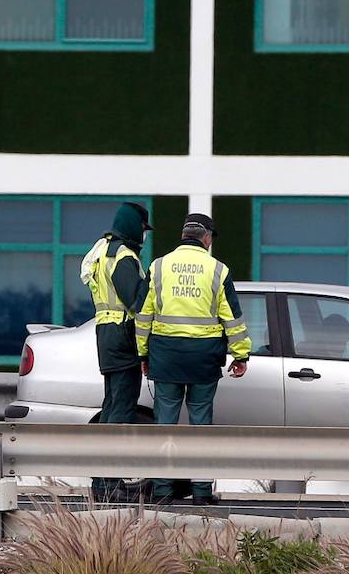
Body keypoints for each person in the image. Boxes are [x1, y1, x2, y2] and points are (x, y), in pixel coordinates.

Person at [135, 213, 251, 506]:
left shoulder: (159, 266)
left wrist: (143, 353)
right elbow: (232, 318)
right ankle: (200, 492)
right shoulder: (217, 270)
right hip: (203, 359)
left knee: (165, 425)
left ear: (184, 235)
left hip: (166, 357)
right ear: (207, 238)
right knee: (201, 425)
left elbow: (143, 315)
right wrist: (240, 354)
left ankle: (162, 492)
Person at [80, 201, 152, 502]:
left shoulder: (102, 251)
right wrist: (151, 282)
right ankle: (108, 485)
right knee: (121, 409)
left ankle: (101, 482)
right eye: (143, 230)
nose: (145, 237)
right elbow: (135, 300)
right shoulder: (122, 257)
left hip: (106, 334)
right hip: (123, 335)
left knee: (111, 406)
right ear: (135, 228)